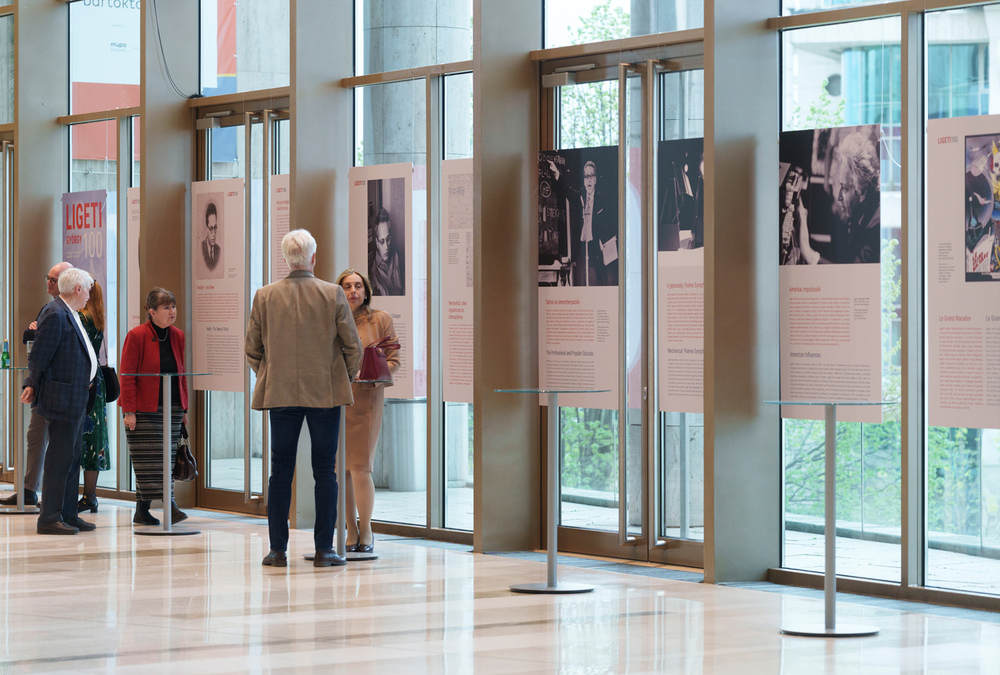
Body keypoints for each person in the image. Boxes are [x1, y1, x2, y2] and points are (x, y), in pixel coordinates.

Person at [245, 229, 362, 568]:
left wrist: (271, 374)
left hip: (280, 393)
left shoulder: (264, 296)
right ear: (313, 258)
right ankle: (324, 549)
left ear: (286, 259)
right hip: (325, 393)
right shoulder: (333, 293)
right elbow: (352, 346)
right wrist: (346, 374)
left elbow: (252, 348)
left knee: (280, 470)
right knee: (325, 470)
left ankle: (277, 550)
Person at [21, 267, 98, 535]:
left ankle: (68, 514)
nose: (89, 294)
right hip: (62, 398)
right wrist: (31, 384)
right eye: (87, 288)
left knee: (71, 458)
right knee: (58, 459)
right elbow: (40, 354)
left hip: (75, 398)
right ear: (77, 289)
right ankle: (49, 517)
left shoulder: (71, 313)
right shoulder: (56, 313)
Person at [337, 268, 400, 553]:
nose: (353, 291)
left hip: (367, 400)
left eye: (358, 286)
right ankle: (349, 530)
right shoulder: (332, 319)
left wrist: (375, 374)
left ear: (366, 291)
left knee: (361, 468)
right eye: (347, 286)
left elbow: (394, 359)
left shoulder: (380, 319)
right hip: (337, 399)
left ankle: (367, 529)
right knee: (341, 471)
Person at [1, 261, 73, 507]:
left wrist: (36, 332)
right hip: (45, 386)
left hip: (62, 389)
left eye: (53, 280)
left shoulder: (68, 311)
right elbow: (29, 337)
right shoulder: (50, 309)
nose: (48, 283)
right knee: (35, 437)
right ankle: (29, 489)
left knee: (60, 444)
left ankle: (58, 498)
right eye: (48, 278)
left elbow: (42, 340)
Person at [119, 288, 189, 526]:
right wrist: (129, 411)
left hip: (172, 408)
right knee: (150, 461)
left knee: (165, 460)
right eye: (167, 308)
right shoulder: (137, 335)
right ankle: (170, 505)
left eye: (174, 306)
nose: (173, 312)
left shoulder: (177, 335)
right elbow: (127, 376)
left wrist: (185, 408)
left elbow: (181, 374)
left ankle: (142, 511)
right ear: (152, 312)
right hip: (142, 409)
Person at [77, 281, 110, 513]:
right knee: (95, 440)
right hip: (97, 381)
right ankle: (91, 495)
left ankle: (84, 497)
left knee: (81, 437)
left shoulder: (81, 318)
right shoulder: (99, 317)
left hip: (82, 378)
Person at [369, 208, 403, 296]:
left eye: (388, 239)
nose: (387, 246)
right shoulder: (372, 272)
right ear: (377, 242)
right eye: (382, 241)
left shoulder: (396, 256)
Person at [201, 201, 221, 272]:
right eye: (211, 228)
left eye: (215, 228)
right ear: (206, 228)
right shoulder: (201, 248)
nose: (214, 234)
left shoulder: (218, 250)